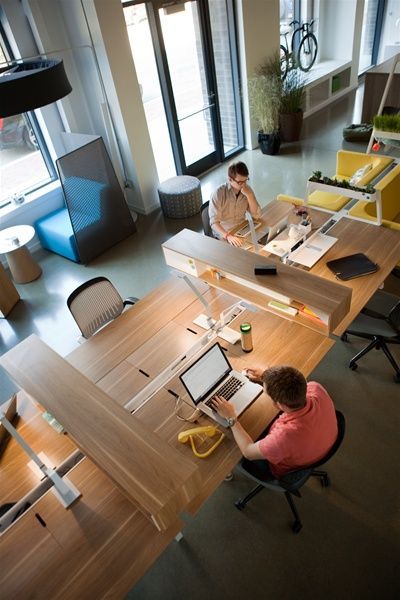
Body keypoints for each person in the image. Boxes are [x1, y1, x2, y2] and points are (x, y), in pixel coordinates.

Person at [212, 365, 338, 479]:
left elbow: (247, 452)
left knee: (231, 454)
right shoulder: (315, 388)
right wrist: (265, 376)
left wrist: (231, 418)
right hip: (318, 445)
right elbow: (290, 382)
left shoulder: (284, 437)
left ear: (279, 405)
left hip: (285, 468)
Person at [209, 161, 261, 247]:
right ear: (230, 179)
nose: (244, 185)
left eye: (246, 180)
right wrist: (228, 236)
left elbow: (256, 215)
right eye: (240, 182)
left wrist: (250, 195)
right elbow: (214, 223)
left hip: (241, 230)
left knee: (261, 245)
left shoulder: (247, 190)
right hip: (224, 234)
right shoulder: (218, 193)